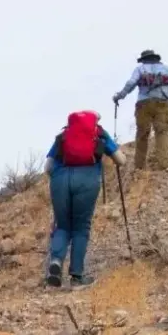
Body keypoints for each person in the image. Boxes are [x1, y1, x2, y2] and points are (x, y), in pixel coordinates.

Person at [43, 110, 121, 288]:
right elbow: (120, 160)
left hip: (60, 180)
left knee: (62, 225)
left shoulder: (63, 135)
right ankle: (76, 277)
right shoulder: (99, 133)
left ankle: (55, 262)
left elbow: (47, 167)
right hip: (87, 181)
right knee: (80, 227)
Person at [113, 49, 168, 171]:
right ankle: (164, 164)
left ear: (143, 60)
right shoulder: (166, 69)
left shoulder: (140, 69)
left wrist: (119, 96)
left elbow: (131, 83)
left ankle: (139, 166)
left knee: (142, 134)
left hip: (143, 104)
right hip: (163, 103)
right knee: (162, 133)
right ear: (156, 58)